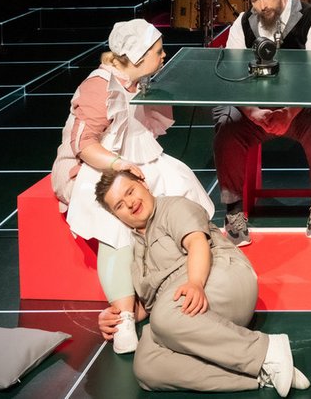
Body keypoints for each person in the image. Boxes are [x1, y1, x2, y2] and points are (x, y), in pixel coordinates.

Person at [50, 19, 215, 353]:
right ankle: (125, 316)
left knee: (177, 183)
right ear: (137, 57)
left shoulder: (140, 82)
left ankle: (188, 273)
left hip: (133, 161)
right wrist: (118, 165)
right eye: (157, 51)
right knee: (114, 220)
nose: (163, 55)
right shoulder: (100, 87)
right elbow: (84, 144)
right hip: (92, 165)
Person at [95, 170, 311, 397]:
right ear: (116, 215)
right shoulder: (136, 252)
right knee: (147, 366)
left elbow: (197, 243)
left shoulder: (173, 207)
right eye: (119, 205)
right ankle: (261, 373)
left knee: (164, 316)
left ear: (143, 184)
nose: (130, 203)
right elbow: (149, 307)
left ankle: (266, 350)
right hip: (186, 314)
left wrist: (195, 283)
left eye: (130, 191)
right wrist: (117, 318)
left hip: (220, 277)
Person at [215, 0, 311, 246]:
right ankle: (233, 209)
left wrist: (289, 113)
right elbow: (232, 77)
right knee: (226, 120)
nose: (261, 6)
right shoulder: (244, 23)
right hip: (255, 113)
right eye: (255, 0)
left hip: (299, 111)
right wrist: (251, 111)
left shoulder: (309, 17)